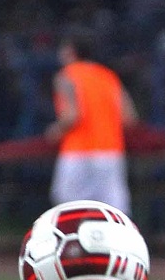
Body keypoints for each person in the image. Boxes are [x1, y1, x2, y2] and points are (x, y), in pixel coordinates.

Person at [46, 31, 138, 213]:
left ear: (70, 51)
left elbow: (72, 116)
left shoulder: (66, 76)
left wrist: (55, 130)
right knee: (112, 212)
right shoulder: (108, 76)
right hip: (110, 152)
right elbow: (129, 117)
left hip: (77, 152)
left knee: (68, 210)